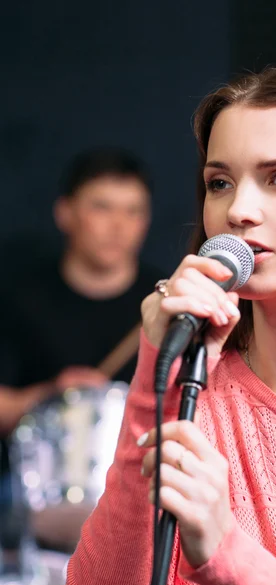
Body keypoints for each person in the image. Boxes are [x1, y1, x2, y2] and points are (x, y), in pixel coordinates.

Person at [65, 64, 276, 585]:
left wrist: (223, 551)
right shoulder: (195, 383)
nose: (238, 210)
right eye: (219, 183)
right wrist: (159, 372)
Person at [0, 147, 163, 435]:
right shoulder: (20, 298)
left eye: (133, 211)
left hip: (142, 469)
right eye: (102, 207)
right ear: (65, 213)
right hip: (36, 472)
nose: (118, 226)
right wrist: (50, 396)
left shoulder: (167, 301)